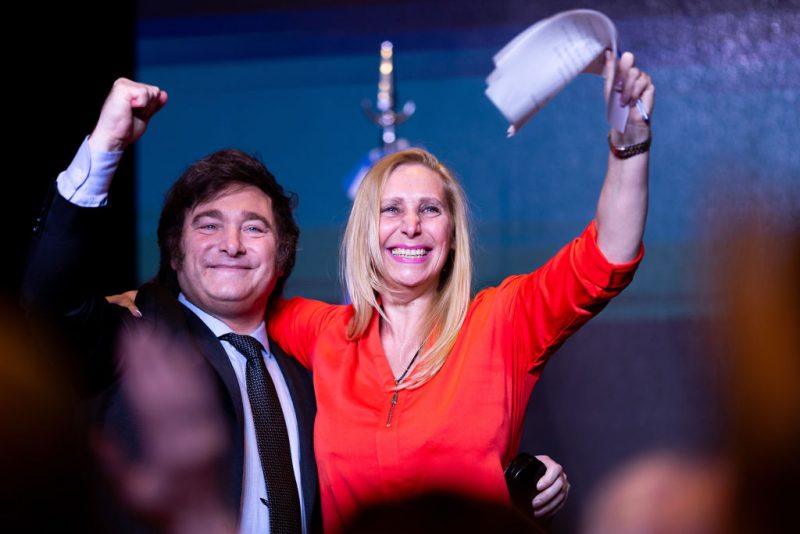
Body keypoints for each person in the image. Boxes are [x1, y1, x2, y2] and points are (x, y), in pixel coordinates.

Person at [264, 50, 653, 532]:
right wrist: (146, 299)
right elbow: (234, 297)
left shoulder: (501, 322)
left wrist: (629, 144)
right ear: (366, 230)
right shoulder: (325, 332)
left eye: (430, 210)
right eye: (391, 210)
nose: (411, 226)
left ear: (451, 234)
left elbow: (607, 257)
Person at [21, 79, 318, 534]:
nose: (232, 245)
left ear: (282, 255)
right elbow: (48, 298)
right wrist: (106, 145)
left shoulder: (311, 370)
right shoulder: (138, 338)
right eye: (208, 225)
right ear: (175, 253)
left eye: (255, 228)